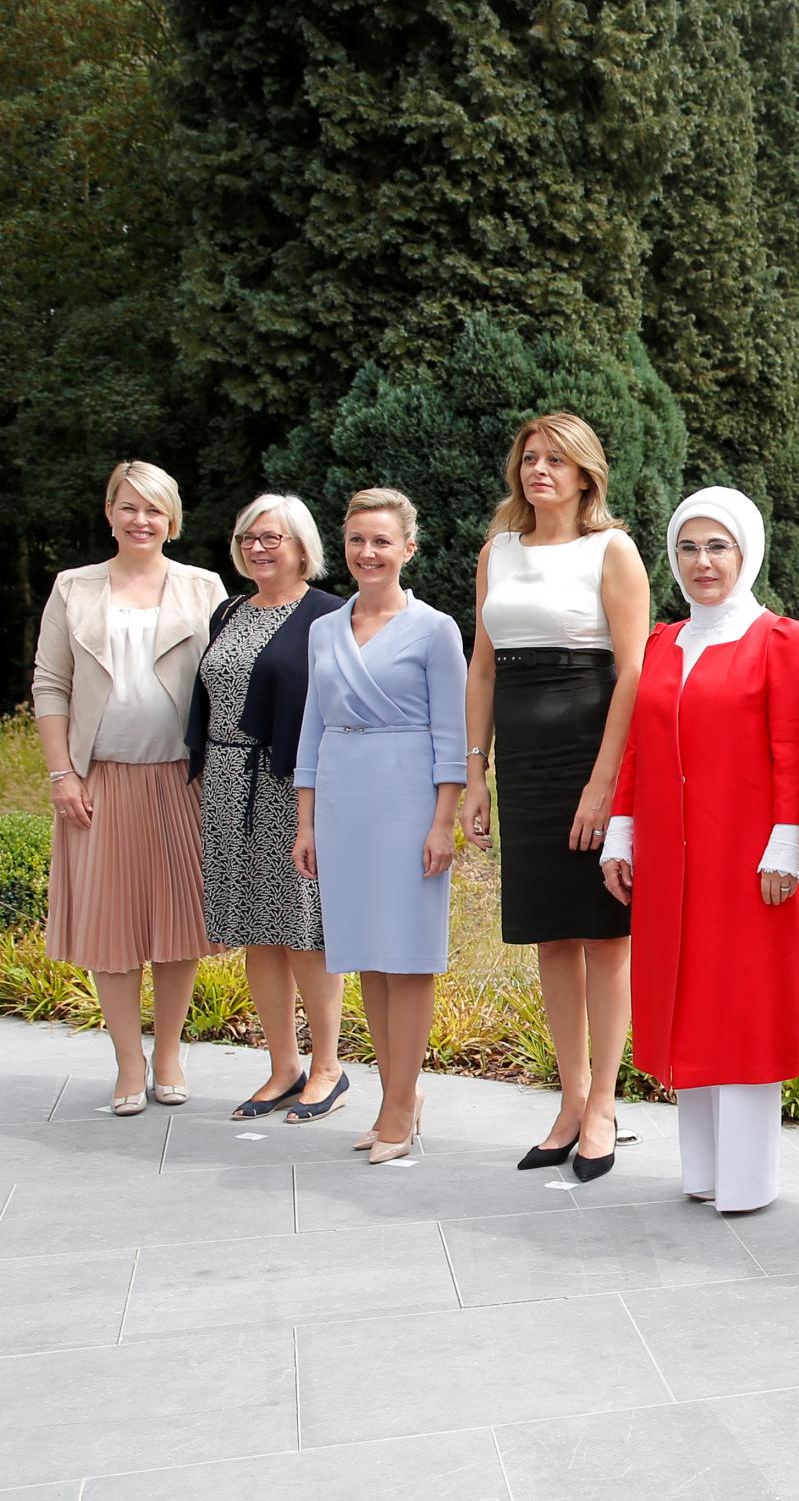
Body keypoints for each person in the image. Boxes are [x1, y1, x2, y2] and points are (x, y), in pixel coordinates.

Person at [601, 488, 799, 1211]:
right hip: (671, 853)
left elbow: (795, 751)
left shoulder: (778, 640)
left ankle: (748, 1180)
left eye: (718, 547)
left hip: (747, 856)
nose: (702, 562)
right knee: (686, 998)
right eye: (688, 548)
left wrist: (787, 842)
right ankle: (702, 1172)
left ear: (746, 553)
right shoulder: (663, 643)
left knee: (742, 1003)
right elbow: (639, 746)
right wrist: (622, 831)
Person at [463, 413, 650, 1180]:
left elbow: (634, 672)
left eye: (556, 460)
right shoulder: (497, 552)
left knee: (604, 935)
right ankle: (570, 1101)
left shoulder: (613, 550)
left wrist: (605, 783)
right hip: (524, 764)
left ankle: (605, 1103)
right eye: (529, 458)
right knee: (550, 935)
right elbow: (483, 667)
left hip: (589, 750)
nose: (539, 469)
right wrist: (475, 773)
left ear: (584, 476)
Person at [31, 461, 225, 1114]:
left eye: (154, 509)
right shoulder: (72, 587)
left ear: (172, 519)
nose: (141, 520)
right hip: (98, 782)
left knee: (177, 925)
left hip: (181, 779)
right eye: (129, 507)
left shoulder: (203, 587)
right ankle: (127, 1063)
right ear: (109, 513)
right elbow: (50, 685)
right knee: (111, 929)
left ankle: (168, 1054)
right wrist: (61, 773)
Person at [291, 489, 467, 1165]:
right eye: (357, 540)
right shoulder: (323, 629)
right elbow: (311, 730)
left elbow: (452, 735)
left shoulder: (435, 629)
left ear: (408, 549)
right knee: (365, 952)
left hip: (407, 797)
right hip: (342, 799)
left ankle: (399, 1104)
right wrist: (306, 824)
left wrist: (442, 823)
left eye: (382, 541)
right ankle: (398, 1095)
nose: (368, 552)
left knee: (408, 956)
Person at [187, 494, 350, 1123]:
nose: (258, 547)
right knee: (255, 931)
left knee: (302, 929)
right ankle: (284, 1067)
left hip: (292, 787)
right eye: (248, 538)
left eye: (271, 537)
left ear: (302, 546)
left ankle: (329, 1067)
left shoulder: (328, 614)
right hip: (227, 784)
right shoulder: (228, 611)